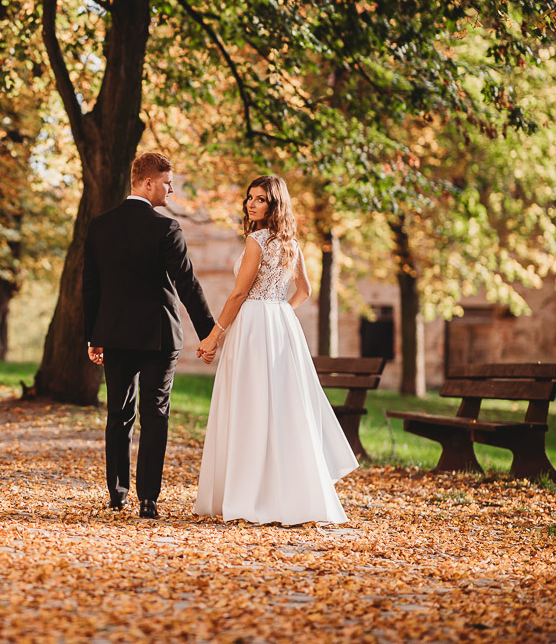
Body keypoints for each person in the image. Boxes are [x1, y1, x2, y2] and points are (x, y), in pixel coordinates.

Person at [194, 175, 357, 525]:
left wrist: (213, 336)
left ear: (274, 204)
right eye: (250, 198)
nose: (252, 204)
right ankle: (283, 494)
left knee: (252, 404)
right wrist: (279, 312)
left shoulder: (256, 240)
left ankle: (250, 496)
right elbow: (305, 290)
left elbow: (238, 295)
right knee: (281, 406)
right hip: (279, 327)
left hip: (254, 326)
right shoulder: (290, 243)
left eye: (261, 199)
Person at [83, 152, 216, 519]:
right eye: (167, 182)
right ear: (148, 183)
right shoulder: (166, 228)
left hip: (114, 335)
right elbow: (186, 284)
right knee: (155, 416)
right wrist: (209, 332)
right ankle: (148, 500)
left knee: (119, 414)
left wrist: (93, 336)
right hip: (159, 337)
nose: (171, 189)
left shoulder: (99, 226)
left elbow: (90, 287)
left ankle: (116, 493)